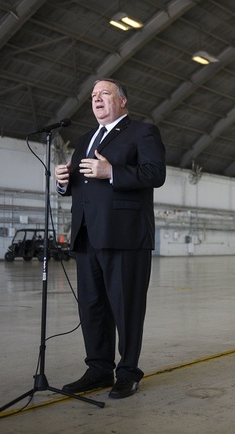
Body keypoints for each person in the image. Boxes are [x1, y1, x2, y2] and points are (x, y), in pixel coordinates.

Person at [54, 78, 166, 399]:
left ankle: (128, 371)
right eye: (93, 95)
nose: (97, 99)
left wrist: (112, 172)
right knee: (92, 307)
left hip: (125, 236)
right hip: (88, 235)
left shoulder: (142, 132)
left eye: (105, 93)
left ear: (122, 101)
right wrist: (63, 182)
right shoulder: (85, 138)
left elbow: (155, 173)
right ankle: (99, 368)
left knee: (126, 306)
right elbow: (83, 185)